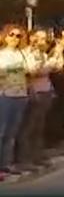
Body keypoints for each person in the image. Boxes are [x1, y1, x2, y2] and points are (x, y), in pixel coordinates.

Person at [18, 29, 64, 168]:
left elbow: (57, 67)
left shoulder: (42, 54)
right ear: (32, 38)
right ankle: (24, 159)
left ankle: (37, 156)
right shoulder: (26, 53)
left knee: (39, 127)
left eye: (44, 39)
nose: (42, 41)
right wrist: (48, 63)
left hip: (46, 91)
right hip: (33, 92)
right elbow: (35, 71)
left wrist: (58, 53)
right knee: (29, 127)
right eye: (39, 38)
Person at [0, 24, 30, 176]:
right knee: (2, 131)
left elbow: (29, 71)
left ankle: (7, 164)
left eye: (18, 36)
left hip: (21, 95)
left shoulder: (21, 54)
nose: (15, 39)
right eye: (12, 35)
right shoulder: (2, 54)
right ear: (5, 36)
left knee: (12, 132)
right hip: (5, 95)